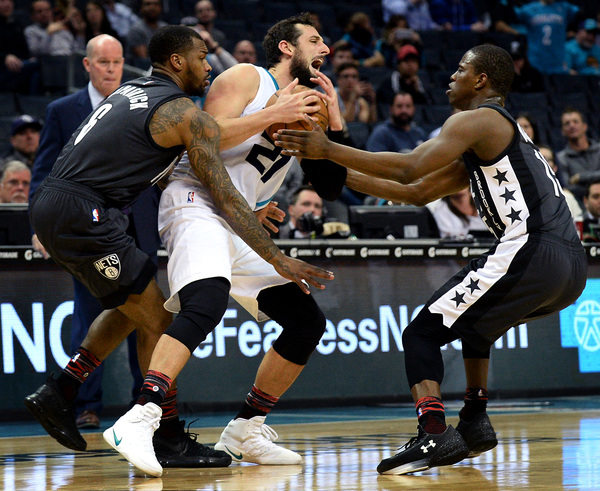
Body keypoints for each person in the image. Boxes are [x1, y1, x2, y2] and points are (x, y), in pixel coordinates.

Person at [24, 24, 331, 471]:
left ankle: (64, 390)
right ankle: (155, 427)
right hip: (88, 211)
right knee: (165, 317)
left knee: (140, 305)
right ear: (177, 61)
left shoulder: (131, 92)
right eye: (202, 58)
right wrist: (276, 256)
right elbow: (220, 189)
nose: (208, 67)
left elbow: (155, 161)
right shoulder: (184, 111)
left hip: (65, 204)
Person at [275, 43, 587, 475]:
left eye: (460, 69)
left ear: (481, 80)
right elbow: (416, 192)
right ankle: (474, 419)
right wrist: (334, 171)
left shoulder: (478, 118)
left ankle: (433, 431)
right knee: (478, 326)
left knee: (421, 332)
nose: (451, 77)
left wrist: (327, 149)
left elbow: (409, 167)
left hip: (533, 249)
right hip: (572, 268)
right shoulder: (494, 136)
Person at [104, 14, 343, 477]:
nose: (326, 49)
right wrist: (271, 114)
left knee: (306, 321)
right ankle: (140, 417)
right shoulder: (247, 77)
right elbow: (203, 141)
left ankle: (245, 429)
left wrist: (333, 120)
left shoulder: (309, 103)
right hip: (196, 201)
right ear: (287, 48)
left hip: (240, 222)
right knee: (206, 301)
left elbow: (331, 186)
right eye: (315, 40)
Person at [29, 34, 146, 431]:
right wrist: (39, 226)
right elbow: (43, 172)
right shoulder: (63, 110)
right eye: (103, 62)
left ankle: (144, 403)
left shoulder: (137, 103)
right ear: (87, 64)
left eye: (117, 62)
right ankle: (85, 405)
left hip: (138, 224)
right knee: (89, 317)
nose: (111, 69)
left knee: (145, 318)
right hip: (85, 227)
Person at [514, 0, 580, 74]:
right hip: (535, 61)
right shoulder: (528, 9)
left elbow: (581, 14)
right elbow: (512, 18)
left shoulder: (565, 7)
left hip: (557, 61)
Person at [556, 107, 600, 203]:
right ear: (563, 131)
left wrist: (580, 177)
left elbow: (574, 184)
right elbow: (568, 188)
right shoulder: (561, 158)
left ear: (585, 126)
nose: (571, 125)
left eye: (575, 121)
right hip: (577, 204)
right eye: (567, 123)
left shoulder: (599, 150)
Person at [0, 0, 38, 94]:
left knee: (39, 66)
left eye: (9, 1)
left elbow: (23, 48)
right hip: (3, 67)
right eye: (2, 1)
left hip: (19, 65)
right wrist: (5, 57)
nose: (7, 4)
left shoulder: (17, 24)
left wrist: (29, 58)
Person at [377, 44, 428, 111]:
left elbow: (426, 106)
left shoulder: (421, 84)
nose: (410, 65)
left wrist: (417, 91)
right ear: (398, 64)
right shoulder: (388, 83)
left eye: (414, 61)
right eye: (406, 61)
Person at [539, 144, 582, 221]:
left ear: (555, 168)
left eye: (546, 159)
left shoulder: (567, 198)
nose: (543, 163)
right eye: (539, 159)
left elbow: (578, 224)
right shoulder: (519, 196)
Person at [126, 0, 167, 68]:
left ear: (161, 8)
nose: (152, 7)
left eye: (156, 4)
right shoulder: (136, 30)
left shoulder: (165, 28)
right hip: (141, 70)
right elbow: (144, 61)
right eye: (148, 4)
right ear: (141, 8)